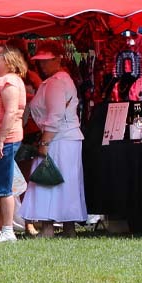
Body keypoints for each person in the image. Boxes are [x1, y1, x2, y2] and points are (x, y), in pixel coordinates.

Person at [21, 39, 86, 238]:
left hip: (58, 138)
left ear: (58, 59)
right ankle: (68, 227)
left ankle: (48, 227)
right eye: (40, 61)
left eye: (46, 60)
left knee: (47, 181)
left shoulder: (56, 82)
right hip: (68, 138)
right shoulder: (63, 79)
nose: (42, 64)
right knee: (67, 184)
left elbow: (55, 114)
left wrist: (45, 141)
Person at [0, 46, 27, 242]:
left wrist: (0, 140)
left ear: (7, 59)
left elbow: (10, 112)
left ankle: (7, 229)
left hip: (4, 140)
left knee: (3, 187)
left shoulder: (10, 81)